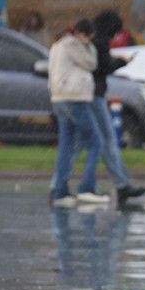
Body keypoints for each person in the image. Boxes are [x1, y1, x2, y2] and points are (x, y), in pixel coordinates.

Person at [48, 19, 109, 207]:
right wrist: (88, 45)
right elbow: (91, 63)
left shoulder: (58, 44)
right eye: (89, 37)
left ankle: (60, 191)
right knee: (96, 142)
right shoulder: (73, 44)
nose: (91, 40)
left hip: (59, 98)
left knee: (66, 145)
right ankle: (87, 188)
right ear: (83, 34)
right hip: (74, 98)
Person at [90, 9, 145, 203]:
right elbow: (102, 67)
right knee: (106, 141)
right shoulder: (101, 41)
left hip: (86, 94)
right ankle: (122, 185)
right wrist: (122, 62)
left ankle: (64, 186)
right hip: (94, 95)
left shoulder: (92, 37)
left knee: (83, 144)